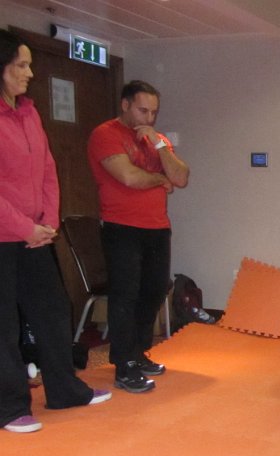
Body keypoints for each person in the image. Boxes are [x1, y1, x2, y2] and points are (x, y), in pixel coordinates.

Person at [0, 29, 110, 433]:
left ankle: (64, 390)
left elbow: (48, 169)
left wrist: (48, 221)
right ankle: (9, 407)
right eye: (21, 65)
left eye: (30, 65)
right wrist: (23, 226)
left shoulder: (29, 112)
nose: (29, 73)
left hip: (35, 236)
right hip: (5, 236)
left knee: (52, 310)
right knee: (5, 326)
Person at [88, 80, 190, 394]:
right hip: (122, 228)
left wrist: (159, 146)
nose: (149, 117)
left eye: (154, 112)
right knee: (125, 295)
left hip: (156, 227)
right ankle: (124, 364)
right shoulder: (105, 134)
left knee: (154, 290)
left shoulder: (156, 140)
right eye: (143, 110)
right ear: (125, 105)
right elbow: (129, 177)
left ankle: (138, 352)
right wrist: (160, 178)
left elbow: (181, 177)